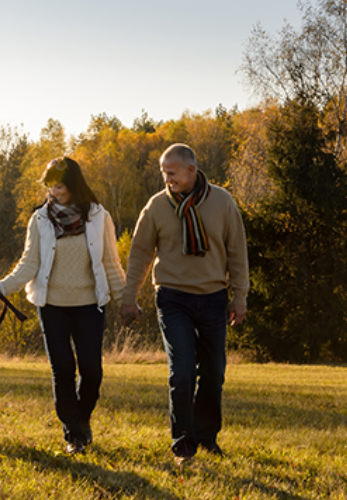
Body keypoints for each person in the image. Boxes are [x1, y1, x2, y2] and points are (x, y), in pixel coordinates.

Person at [0, 157, 125, 454]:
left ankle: (81, 420)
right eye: (49, 185)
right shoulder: (40, 220)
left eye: (59, 185)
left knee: (92, 371)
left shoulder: (100, 217)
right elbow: (29, 264)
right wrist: (1, 287)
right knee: (62, 368)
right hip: (52, 306)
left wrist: (127, 300)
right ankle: (74, 434)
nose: (53, 191)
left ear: (74, 185)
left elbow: (112, 263)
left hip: (90, 305)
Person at [120, 143, 249, 465]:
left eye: (172, 173)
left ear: (192, 171)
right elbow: (139, 255)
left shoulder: (223, 202)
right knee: (181, 373)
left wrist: (240, 297)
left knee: (213, 372)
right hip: (173, 297)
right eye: (164, 173)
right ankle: (182, 444)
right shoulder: (156, 206)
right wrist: (128, 298)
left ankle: (207, 438)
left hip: (213, 297)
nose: (167, 179)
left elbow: (237, 252)